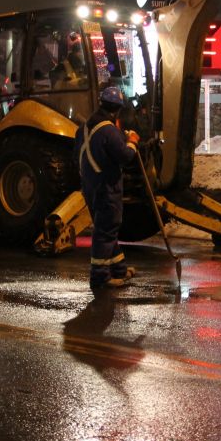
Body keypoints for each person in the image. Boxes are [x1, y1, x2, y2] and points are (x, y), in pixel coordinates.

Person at [75, 85, 141, 290]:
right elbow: (125, 156)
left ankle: (118, 269)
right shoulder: (109, 131)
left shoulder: (83, 128)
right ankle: (100, 277)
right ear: (118, 109)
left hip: (90, 185)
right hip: (107, 187)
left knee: (107, 229)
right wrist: (132, 142)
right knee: (105, 230)